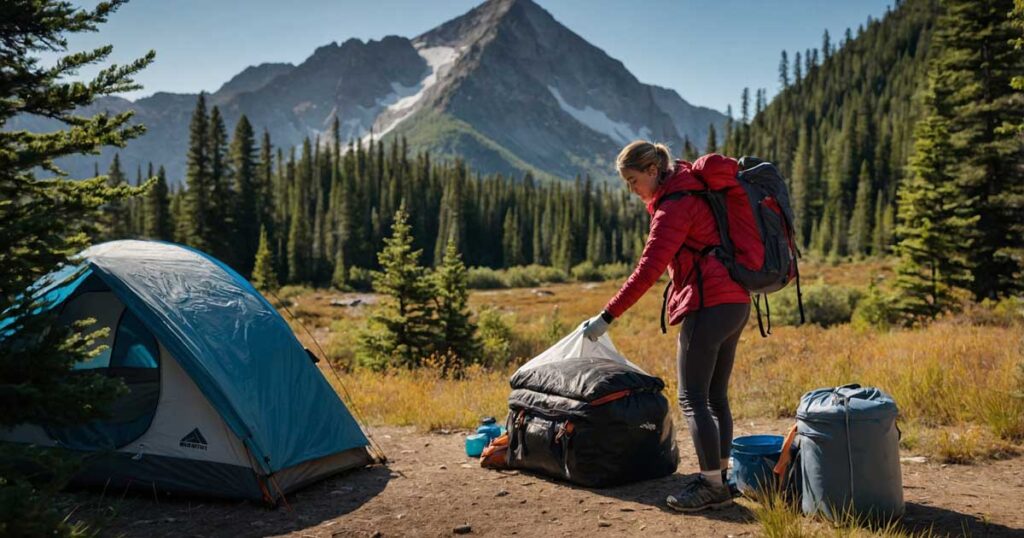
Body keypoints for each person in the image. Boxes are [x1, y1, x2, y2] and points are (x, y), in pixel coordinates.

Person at [581, 140, 751, 512]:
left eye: (632, 180)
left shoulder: (674, 207)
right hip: (736, 302)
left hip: (709, 305)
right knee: (715, 396)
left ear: (653, 171)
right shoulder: (691, 189)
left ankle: (710, 486)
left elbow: (647, 271)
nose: (631, 189)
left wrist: (606, 317)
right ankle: (720, 477)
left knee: (693, 397)